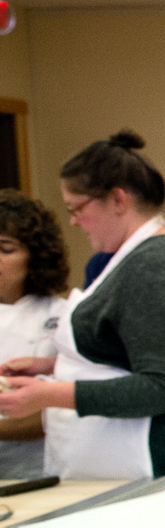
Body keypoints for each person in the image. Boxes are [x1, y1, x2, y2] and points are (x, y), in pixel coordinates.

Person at [0, 131, 165, 478]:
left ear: (118, 200)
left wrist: (49, 395)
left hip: (154, 460)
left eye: (77, 208)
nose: (73, 221)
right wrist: (49, 365)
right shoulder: (130, 258)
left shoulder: (155, 267)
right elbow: (126, 352)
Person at [0, 192, 69, 478]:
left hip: (40, 468)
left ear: (36, 255)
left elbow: (61, 407)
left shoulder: (61, 315)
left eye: (5, 249)